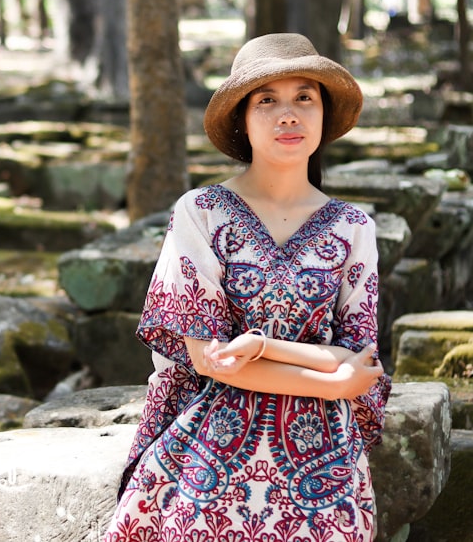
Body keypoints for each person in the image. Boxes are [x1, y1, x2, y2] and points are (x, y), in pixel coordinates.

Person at [103, 33, 392, 542]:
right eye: (267, 100)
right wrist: (330, 381)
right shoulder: (201, 212)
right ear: (242, 117)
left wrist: (264, 347)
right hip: (212, 428)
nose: (288, 114)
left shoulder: (353, 227)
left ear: (323, 115)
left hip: (323, 443)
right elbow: (208, 357)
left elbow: (360, 359)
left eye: (305, 97)